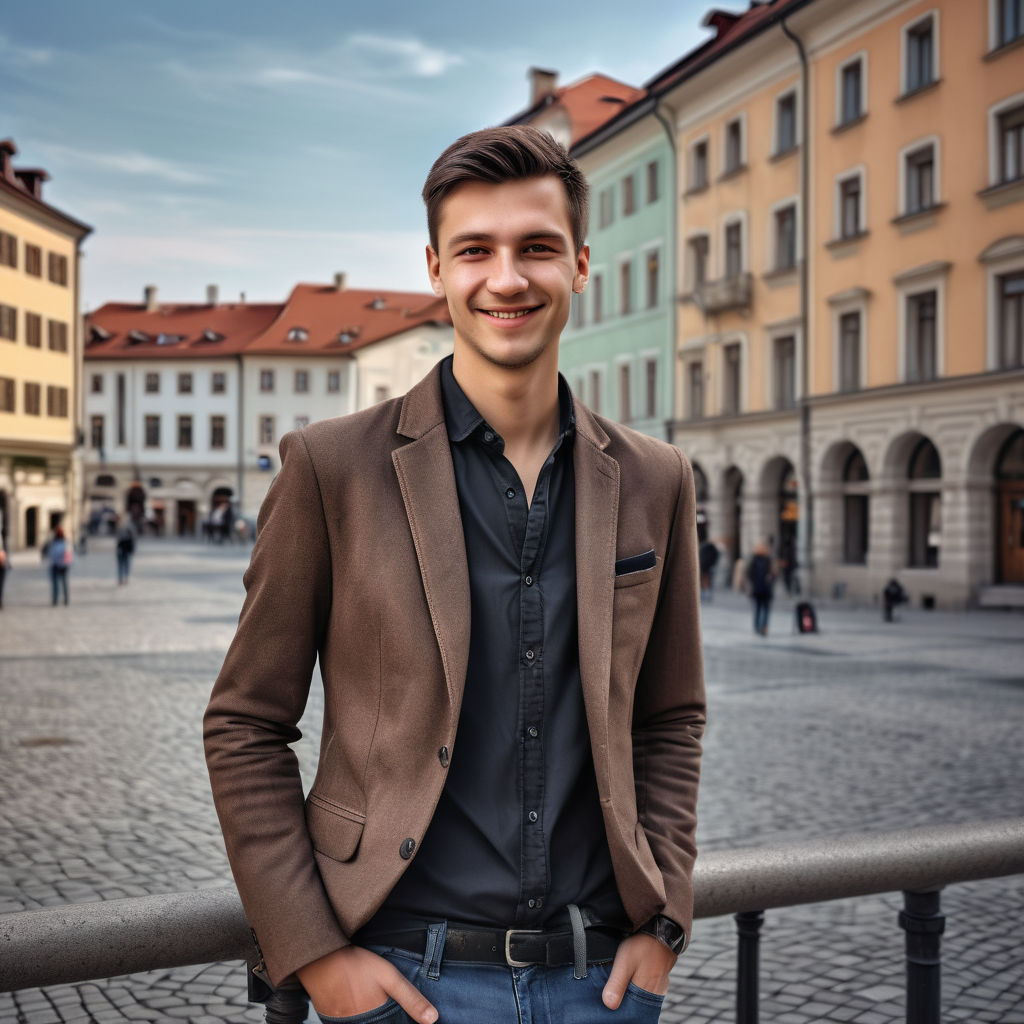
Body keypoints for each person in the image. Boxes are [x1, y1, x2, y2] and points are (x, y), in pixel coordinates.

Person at [204, 126, 706, 1024]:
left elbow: (671, 718)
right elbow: (245, 724)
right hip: (403, 979)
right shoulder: (332, 468)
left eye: (537, 248)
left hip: (604, 986)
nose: (506, 278)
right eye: (475, 250)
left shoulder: (655, 477)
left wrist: (665, 916)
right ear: (436, 268)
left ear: (581, 265)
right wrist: (316, 955)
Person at [745, 542, 774, 636]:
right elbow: (773, 574)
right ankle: (762, 628)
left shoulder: (755, 560)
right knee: (764, 609)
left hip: (759, 589)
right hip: (764, 589)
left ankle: (759, 627)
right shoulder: (766, 560)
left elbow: (749, 574)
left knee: (758, 609)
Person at [48, 526, 71, 606]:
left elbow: (51, 554)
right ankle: (65, 600)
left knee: (56, 584)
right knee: (63, 583)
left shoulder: (54, 543)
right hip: (63, 565)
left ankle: (56, 600)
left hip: (56, 565)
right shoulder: (65, 543)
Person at [698, 538, 719, 603]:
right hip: (708, 567)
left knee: (704, 581)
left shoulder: (703, 549)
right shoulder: (713, 550)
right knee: (707, 581)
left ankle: (704, 595)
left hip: (703, 567)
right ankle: (706, 595)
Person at [115, 519, 135, 585]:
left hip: (123, 549)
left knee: (124, 564)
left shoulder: (121, 529)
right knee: (124, 564)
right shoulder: (122, 529)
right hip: (122, 549)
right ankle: (122, 579)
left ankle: (123, 579)